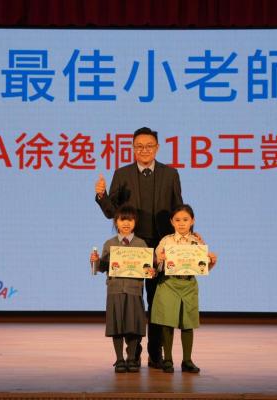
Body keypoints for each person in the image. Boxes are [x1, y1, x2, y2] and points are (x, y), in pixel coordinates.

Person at [95, 126, 183, 368]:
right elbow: (112, 212)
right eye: (139, 146)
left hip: (160, 248)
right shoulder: (122, 174)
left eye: (149, 146)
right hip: (130, 249)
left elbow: (178, 209)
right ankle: (132, 355)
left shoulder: (170, 174)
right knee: (131, 303)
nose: (144, 150)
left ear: (157, 147)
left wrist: (187, 237)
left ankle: (156, 354)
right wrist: (102, 196)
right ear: (133, 148)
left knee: (157, 302)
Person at [151, 204, 218, 373]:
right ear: (172, 222)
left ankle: (187, 360)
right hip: (169, 283)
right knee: (167, 322)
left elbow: (202, 267)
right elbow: (156, 266)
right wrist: (159, 259)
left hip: (188, 284)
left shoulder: (197, 242)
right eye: (178, 220)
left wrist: (211, 262)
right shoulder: (166, 241)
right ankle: (167, 360)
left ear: (192, 221)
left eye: (185, 220)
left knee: (188, 322)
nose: (181, 223)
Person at [90, 205, 148, 373]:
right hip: (115, 290)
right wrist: (96, 261)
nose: (126, 223)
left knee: (133, 325)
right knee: (117, 325)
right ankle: (119, 359)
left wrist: (151, 270)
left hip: (134, 290)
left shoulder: (141, 244)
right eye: (123, 219)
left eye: (130, 220)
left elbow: (147, 268)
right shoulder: (110, 244)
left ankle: (132, 358)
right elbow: (102, 267)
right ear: (116, 222)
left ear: (135, 222)